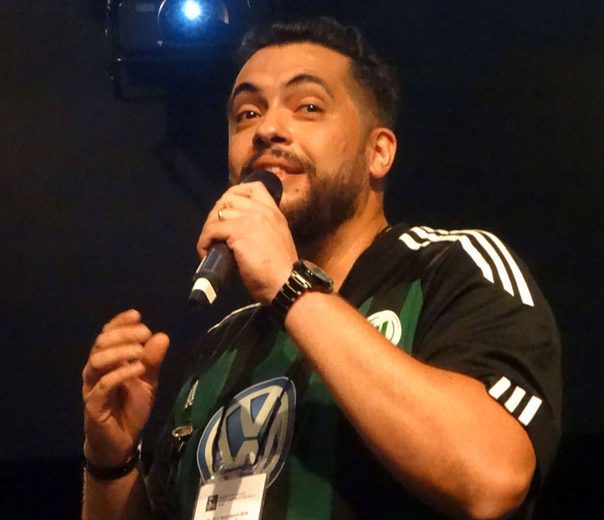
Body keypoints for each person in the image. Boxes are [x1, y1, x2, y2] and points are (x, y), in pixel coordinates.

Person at [82, 16, 561, 520]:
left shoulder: (449, 266)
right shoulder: (219, 346)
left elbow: (491, 476)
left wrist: (288, 285)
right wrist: (109, 461)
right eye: (246, 113)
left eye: (308, 106)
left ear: (378, 152)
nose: (266, 129)